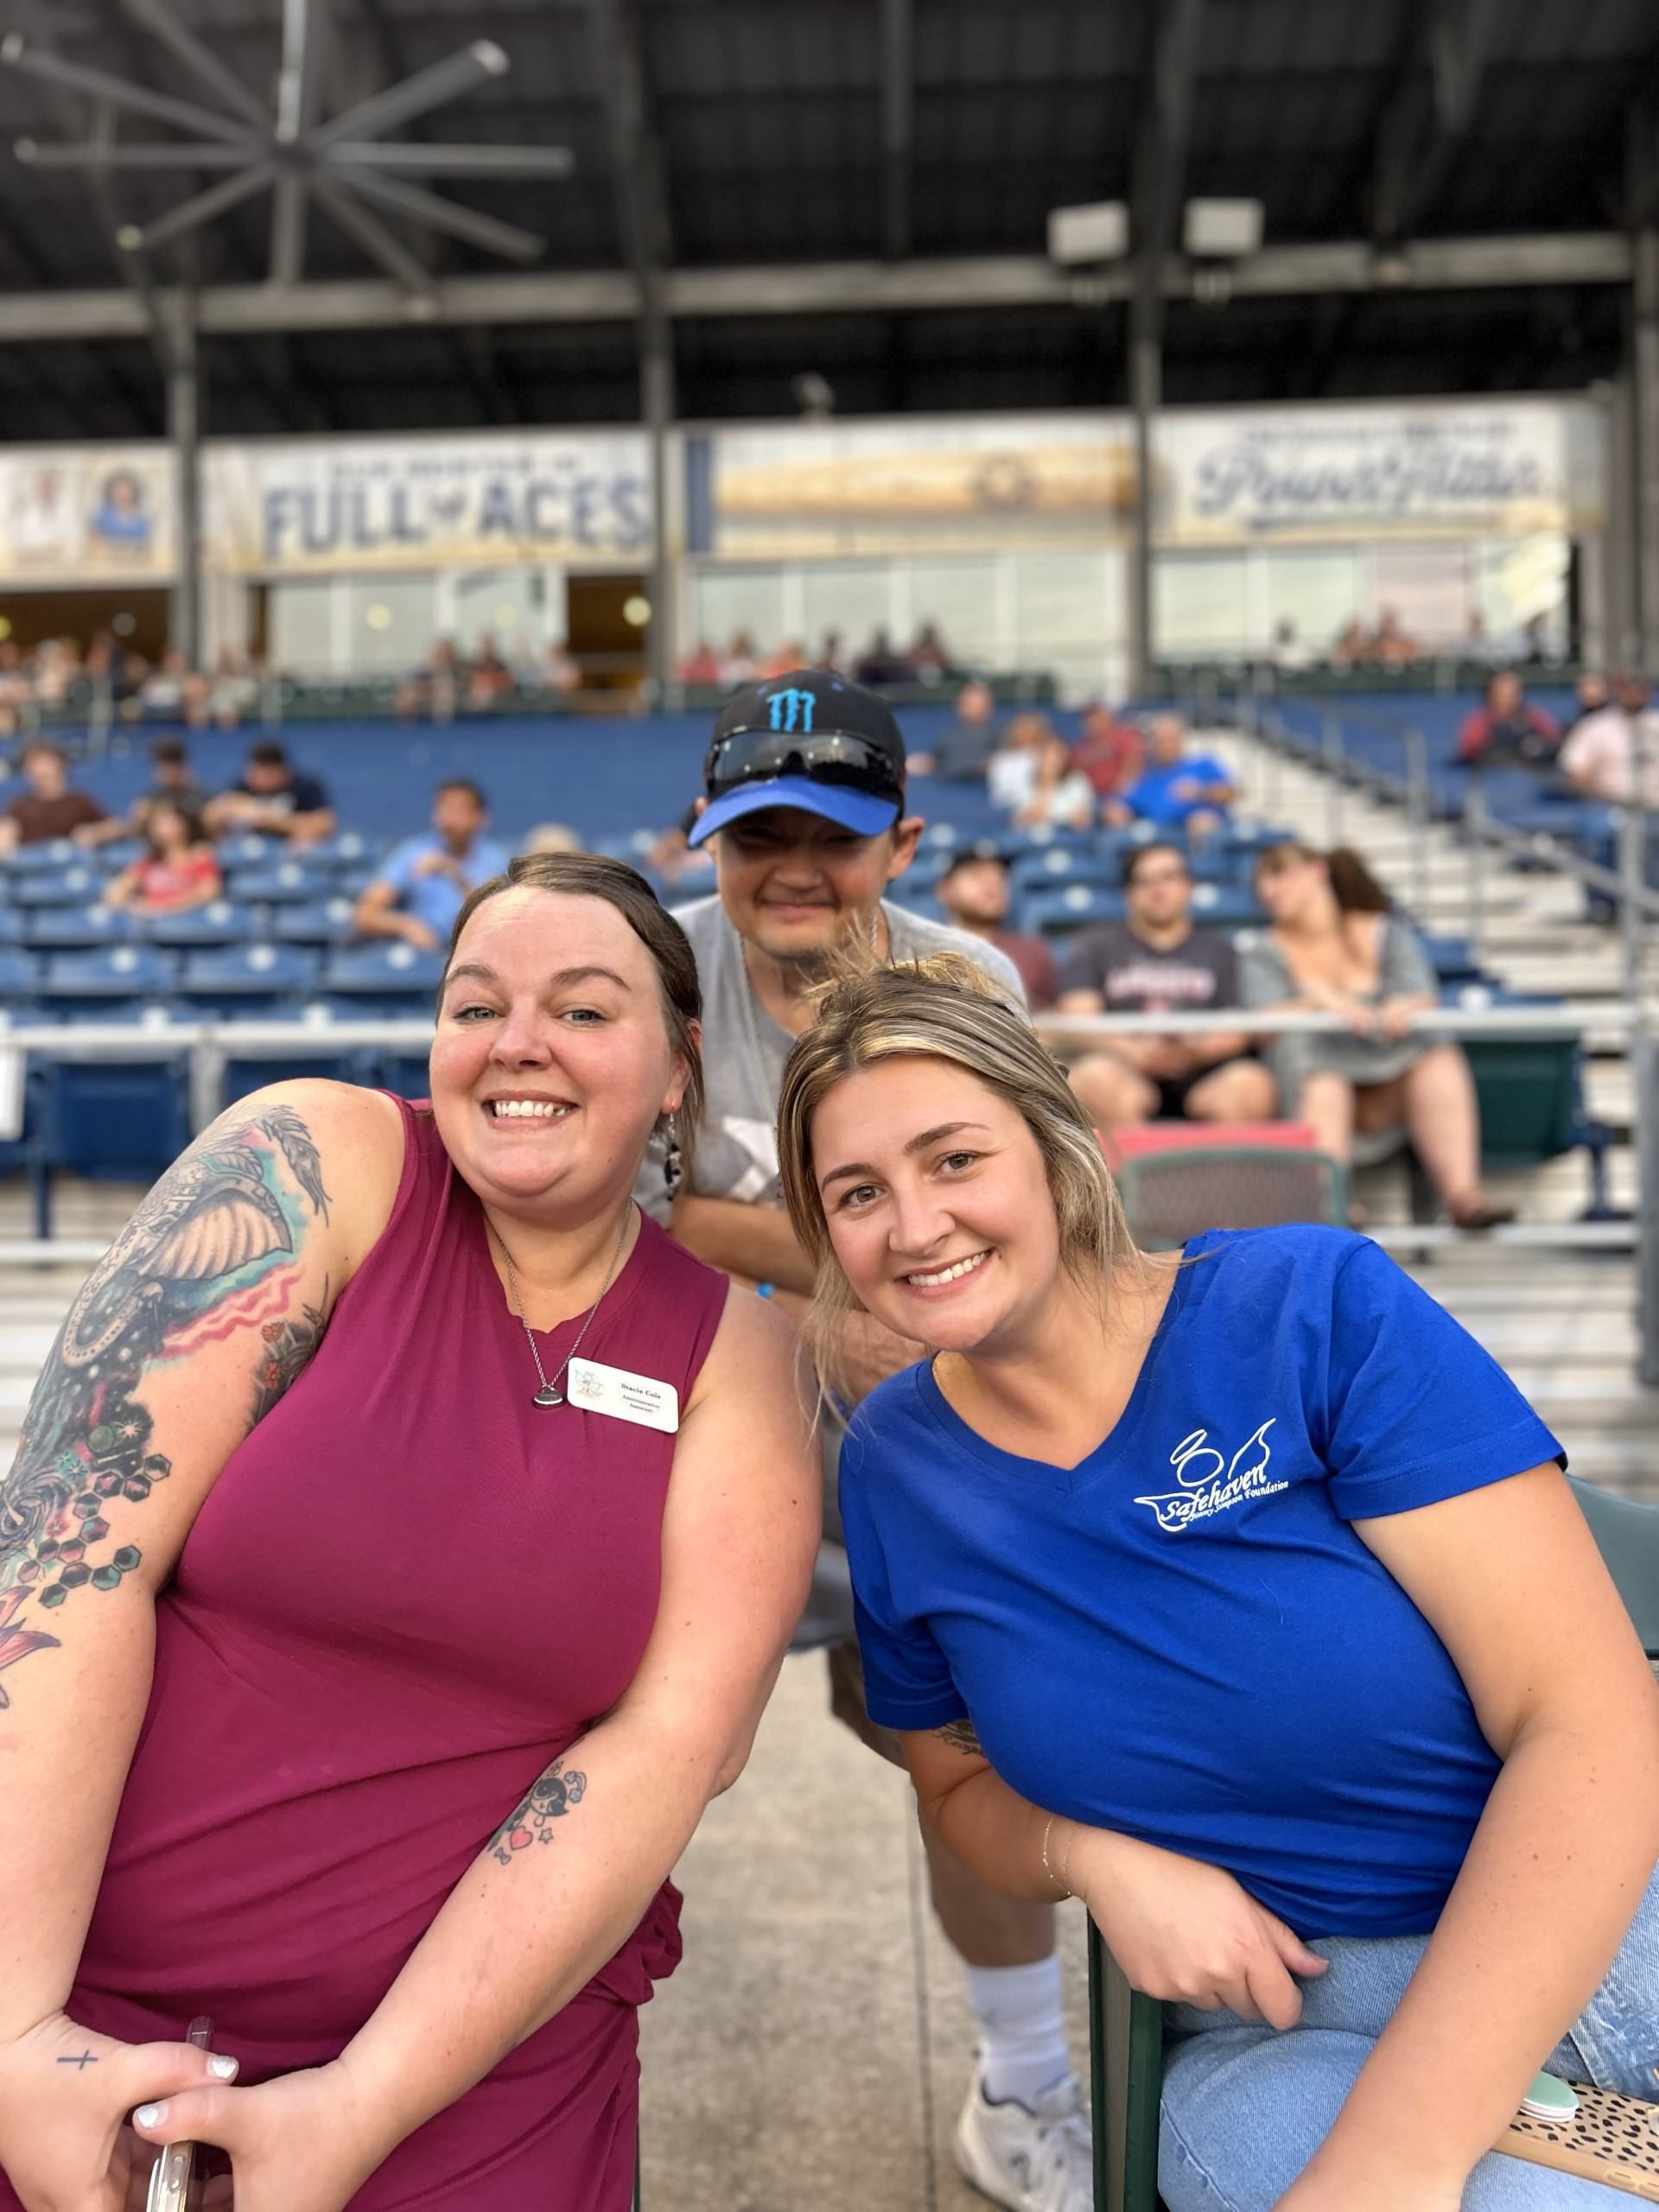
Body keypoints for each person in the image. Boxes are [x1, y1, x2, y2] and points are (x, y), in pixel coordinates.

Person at [774, 953, 1659, 2212]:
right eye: (858, 1192)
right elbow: (953, 1782)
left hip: (1613, 1913)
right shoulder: (898, 1470)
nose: (915, 1226)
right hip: (1294, 2019)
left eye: (955, 1159)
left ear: (1061, 1140)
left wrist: (1403, 2149)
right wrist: (1090, 1856)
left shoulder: (1307, 1306)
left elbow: (1586, 1718)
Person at [0, 850, 817, 2210]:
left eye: (583, 1009)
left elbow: (668, 1752)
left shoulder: (736, 1360)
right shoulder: (315, 1166)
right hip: (71, 1997)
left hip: (462, 2061)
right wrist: (15, 2035)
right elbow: (71, 1559)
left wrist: (357, 2107)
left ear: (679, 1067)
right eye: (474, 1003)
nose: (517, 1046)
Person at [648, 672, 1096, 2212]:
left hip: (925, 1430)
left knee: (973, 1743)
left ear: (898, 842)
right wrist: (817, 1277)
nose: (788, 866)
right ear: (706, 836)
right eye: (752, 829)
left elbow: (1013, 1211)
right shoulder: (662, 970)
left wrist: (779, 1252)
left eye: (825, 835)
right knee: (612, 1745)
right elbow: (618, 1215)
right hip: (691, 1419)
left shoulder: (963, 977)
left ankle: (1026, 2086)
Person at [1243, 842, 1514, 1229]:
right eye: (1261, 883)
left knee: (1437, 1055)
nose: (1269, 890)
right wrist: (1321, 1005)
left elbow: (1422, 998)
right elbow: (1262, 1025)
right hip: (1314, 1082)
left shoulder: (1385, 933)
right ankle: (1333, 1206)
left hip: (1391, 1077)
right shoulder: (1263, 950)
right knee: (1321, 1077)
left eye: (1278, 873)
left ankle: (1464, 1196)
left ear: (1317, 871)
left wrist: (1397, 1012)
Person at [1057, 841, 1275, 1130]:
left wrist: (1193, 1052)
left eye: (1169, 877)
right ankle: (1130, 1176)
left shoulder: (1220, 950)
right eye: (1144, 881)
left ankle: (1222, 1176)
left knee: (1252, 1085)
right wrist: (1132, 1050)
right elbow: (1079, 1016)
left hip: (1204, 1070)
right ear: (1128, 894)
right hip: (1123, 1065)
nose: (1157, 889)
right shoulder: (1095, 945)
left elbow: (1237, 1029)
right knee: (1095, 1078)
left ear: (1188, 886)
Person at [353, 779, 512, 952]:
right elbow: (365, 914)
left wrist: (453, 872)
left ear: (480, 818)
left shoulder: (497, 860)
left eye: (457, 810)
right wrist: (408, 926)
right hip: (424, 956)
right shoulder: (412, 853)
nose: (447, 819)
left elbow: (496, 919)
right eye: (442, 809)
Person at [933, 845, 1058, 1011]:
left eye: (1000, 877)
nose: (992, 884)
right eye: (977, 875)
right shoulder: (919, 951)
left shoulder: (1033, 952)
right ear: (945, 890)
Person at [1104, 713, 1236, 840]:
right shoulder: (1145, 775)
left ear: (1181, 740)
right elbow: (1121, 801)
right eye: (1161, 740)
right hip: (1159, 840)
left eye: (1171, 739)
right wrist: (1116, 810)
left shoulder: (1202, 765)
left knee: (1203, 821)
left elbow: (1232, 793)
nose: (1167, 746)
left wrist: (1202, 792)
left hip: (1199, 837)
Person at [103, 797, 222, 916]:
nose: (164, 827)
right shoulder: (148, 862)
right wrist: (138, 907)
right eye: (158, 823)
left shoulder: (199, 855)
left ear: (185, 823)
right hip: (153, 925)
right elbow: (115, 893)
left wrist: (166, 907)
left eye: (171, 820)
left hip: (188, 922)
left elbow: (210, 890)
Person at [204, 740, 335, 847]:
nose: (259, 779)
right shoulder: (241, 787)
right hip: (247, 855)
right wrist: (230, 808)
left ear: (283, 771)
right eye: (255, 772)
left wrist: (273, 821)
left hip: (292, 855)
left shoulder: (304, 787)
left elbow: (325, 823)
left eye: (267, 775)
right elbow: (210, 817)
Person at [1560, 671, 1659, 808]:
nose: (1632, 693)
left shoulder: (1656, 722)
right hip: (1609, 810)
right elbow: (1576, 772)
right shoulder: (1593, 725)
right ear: (1615, 690)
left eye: (1639, 688)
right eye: (1626, 687)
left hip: (1654, 808)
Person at [0, 741, 109, 853]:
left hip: (71, 861)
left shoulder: (79, 801)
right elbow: (7, 828)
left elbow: (113, 826)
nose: (39, 770)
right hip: (32, 863)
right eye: (33, 764)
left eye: (45, 763)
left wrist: (96, 832)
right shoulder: (20, 804)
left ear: (61, 765)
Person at [1456, 671, 1560, 770]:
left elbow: (1553, 738)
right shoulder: (1479, 721)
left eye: (1514, 693)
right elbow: (1471, 750)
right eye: (1503, 694)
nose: (1510, 699)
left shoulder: (1533, 717)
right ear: (1491, 694)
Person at [906, 677, 1000, 782]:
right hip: (946, 787)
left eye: (978, 704)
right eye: (965, 703)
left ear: (989, 707)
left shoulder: (998, 736)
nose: (966, 708)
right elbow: (934, 760)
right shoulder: (948, 736)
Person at [1012, 734, 1095, 833]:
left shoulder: (1077, 781)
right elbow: (1020, 821)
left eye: (1055, 756)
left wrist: (1046, 817)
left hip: (1065, 836)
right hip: (1032, 838)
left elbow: (1082, 821)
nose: (1049, 760)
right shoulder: (1027, 783)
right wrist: (1045, 784)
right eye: (1044, 756)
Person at [1071, 701, 1143, 801]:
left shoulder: (1122, 737)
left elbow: (1133, 766)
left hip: (1119, 796)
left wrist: (1116, 794)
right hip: (1090, 798)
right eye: (1088, 718)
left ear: (1107, 717)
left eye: (1097, 717)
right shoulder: (1080, 747)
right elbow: (1074, 777)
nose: (1093, 722)